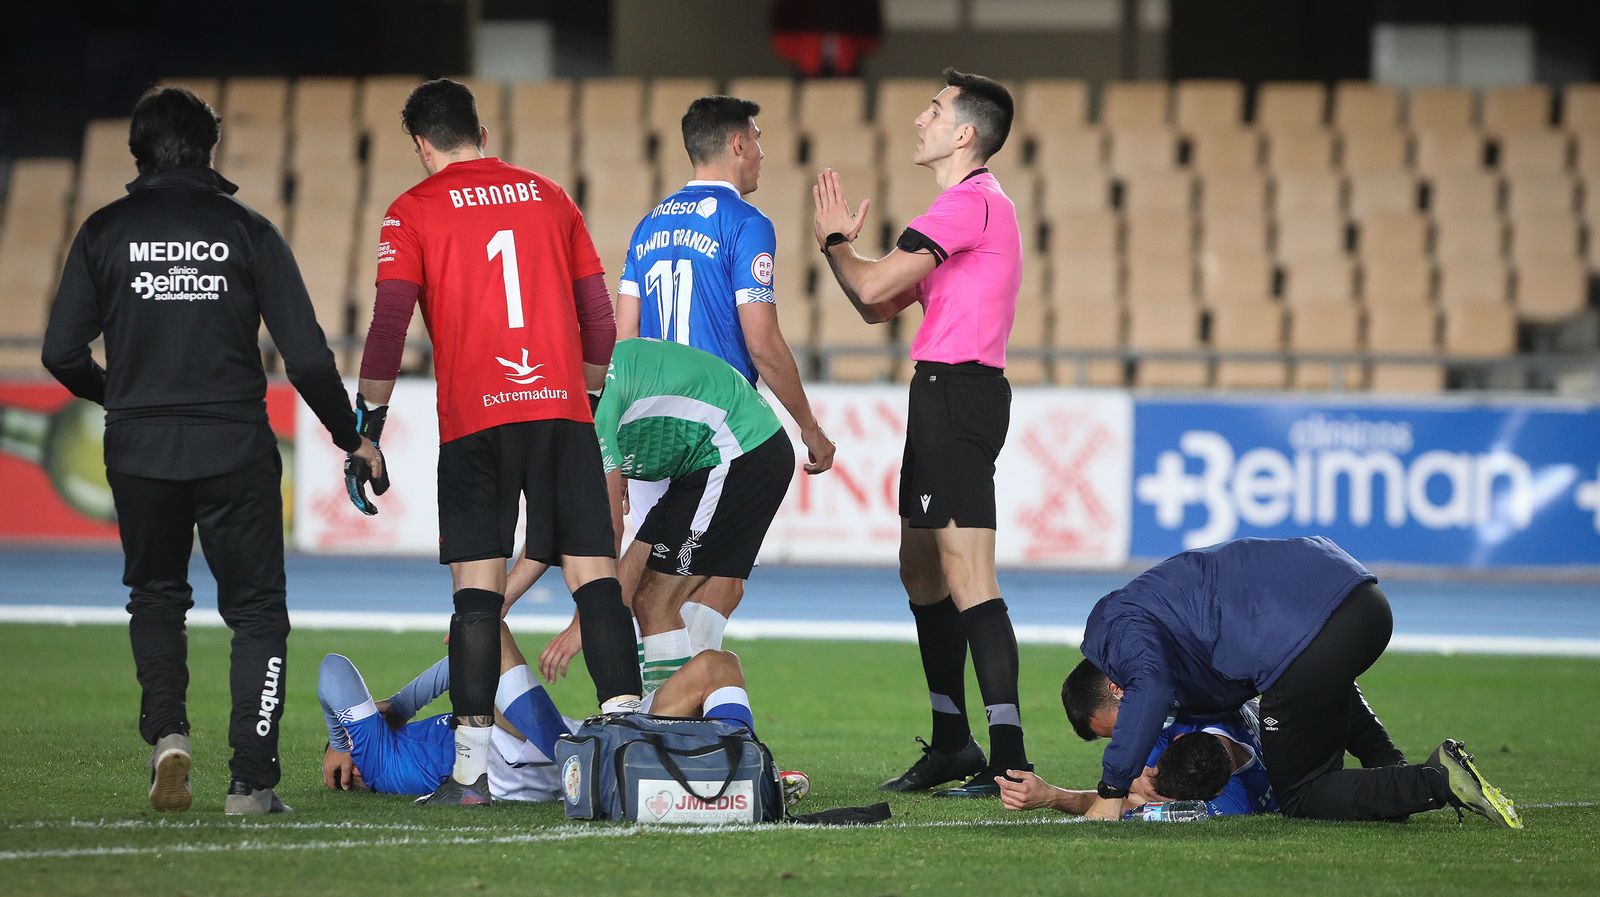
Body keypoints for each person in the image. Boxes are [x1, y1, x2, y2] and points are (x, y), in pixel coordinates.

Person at [41, 86, 377, 816]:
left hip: (138, 446)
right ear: (210, 146)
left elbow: (59, 350)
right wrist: (351, 437)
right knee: (257, 610)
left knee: (156, 595)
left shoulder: (103, 231)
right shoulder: (246, 230)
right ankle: (251, 783)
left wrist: (118, 396)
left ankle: (168, 735)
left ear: (136, 150)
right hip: (234, 446)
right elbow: (310, 361)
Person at [350, 78, 642, 806]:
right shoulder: (549, 196)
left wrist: (369, 430)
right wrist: (589, 395)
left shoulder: (412, 210)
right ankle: (628, 756)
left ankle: (472, 776)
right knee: (597, 584)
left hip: (478, 421)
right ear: (478, 130)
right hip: (560, 412)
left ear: (422, 143)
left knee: (476, 602)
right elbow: (599, 321)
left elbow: (388, 329)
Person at [812, 67, 1027, 797]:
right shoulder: (966, 212)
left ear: (964, 134)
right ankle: (951, 741)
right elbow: (878, 305)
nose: (919, 120)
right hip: (940, 393)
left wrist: (839, 243)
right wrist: (841, 249)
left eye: (933, 111)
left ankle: (1009, 760)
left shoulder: (971, 203)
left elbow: (869, 285)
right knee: (923, 571)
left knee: (969, 577)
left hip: (958, 395)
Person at [1063, 535, 1522, 827]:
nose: (1147, 732)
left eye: (1124, 728)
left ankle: (1437, 781)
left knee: (1302, 793)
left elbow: (1154, 689)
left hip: (1311, 632)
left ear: (1118, 688)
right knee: (1309, 683)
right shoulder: (1155, 618)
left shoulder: (1116, 628)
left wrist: (1112, 790)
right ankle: (1391, 767)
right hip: (1361, 600)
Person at [616, 94, 834, 676]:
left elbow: (624, 335)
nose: (762, 152)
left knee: (693, 585)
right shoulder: (745, 224)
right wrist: (809, 427)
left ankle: (669, 713)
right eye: (758, 139)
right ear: (738, 144)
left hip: (653, 425)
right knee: (682, 592)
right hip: (720, 436)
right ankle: (667, 719)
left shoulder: (649, 225)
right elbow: (761, 341)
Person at [535, 338, 796, 693]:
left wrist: (583, 620)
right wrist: (497, 604)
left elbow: (605, 531)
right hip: (706, 461)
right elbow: (549, 541)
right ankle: (667, 715)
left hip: (735, 452)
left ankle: (671, 725)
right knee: (634, 592)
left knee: (656, 601)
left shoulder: (590, 413)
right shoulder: (585, 384)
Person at [318, 623, 806, 806]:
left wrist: (402, 707)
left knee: (719, 666)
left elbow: (463, 664)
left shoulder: (384, 743)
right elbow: (332, 670)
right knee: (485, 630)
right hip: (530, 755)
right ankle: (577, 759)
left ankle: (744, 768)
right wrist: (341, 741)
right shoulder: (373, 757)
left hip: (586, 739)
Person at [997, 702, 1278, 818]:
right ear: (1179, 740)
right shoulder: (1206, 708)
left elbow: (1127, 806)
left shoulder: (1229, 806)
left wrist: (1052, 796)